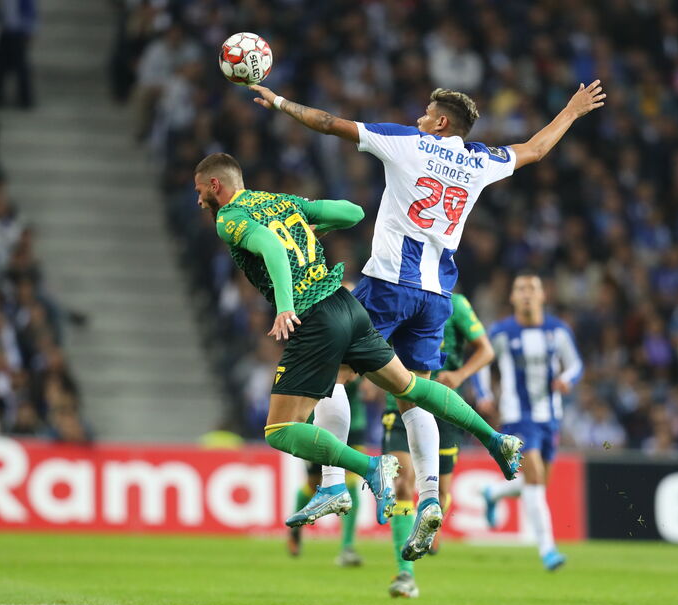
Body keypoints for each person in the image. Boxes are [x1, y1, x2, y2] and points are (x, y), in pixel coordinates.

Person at [248, 78, 604, 559]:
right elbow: (536, 150)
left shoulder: (408, 142)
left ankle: (333, 483)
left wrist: (279, 101)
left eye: (425, 113)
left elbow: (329, 123)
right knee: (415, 393)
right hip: (438, 296)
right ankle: (431, 498)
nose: (418, 118)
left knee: (332, 376)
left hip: (389, 285)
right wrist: (571, 112)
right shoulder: (480, 161)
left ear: (440, 122)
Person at [196, 153, 523, 525]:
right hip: (347, 305)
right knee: (410, 386)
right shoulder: (280, 201)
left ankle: (366, 469)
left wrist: (285, 306)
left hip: (315, 315)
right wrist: (310, 228)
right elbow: (351, 212)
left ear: (215, 185)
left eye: (200, 190)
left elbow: (271, 247)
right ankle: (497, 440)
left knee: (280, 429)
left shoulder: (229, 217)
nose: (198, 199)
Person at [383, 292, 493, 598]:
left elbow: (485, 350)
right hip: (400, 399)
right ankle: (405, 574)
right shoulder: (396, 295)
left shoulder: (456, 304)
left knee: (441, 492)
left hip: (443, 405)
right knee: (403, 482)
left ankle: (429, 524)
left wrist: (459, 374)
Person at [480, 274, 583, 571]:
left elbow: (575, 363)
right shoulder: (501, 332)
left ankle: (493, 492)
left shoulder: (558, 331)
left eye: (532, 289)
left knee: (536, 482)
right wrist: (486, 393)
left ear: (543, 296)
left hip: (550, 417)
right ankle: (548, 550)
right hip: (516, 417)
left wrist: (566, 378)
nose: (526, 294)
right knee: (535, 477)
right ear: (512, 297)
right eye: (520, 289)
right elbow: (483, 361)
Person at [287, 370, 368, 567]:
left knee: (350, 479)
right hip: (315, 423)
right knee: (313, 483)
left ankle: (347, 546)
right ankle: (295, 530)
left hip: (352, 423)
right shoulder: (316, 349)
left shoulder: (353, 345)